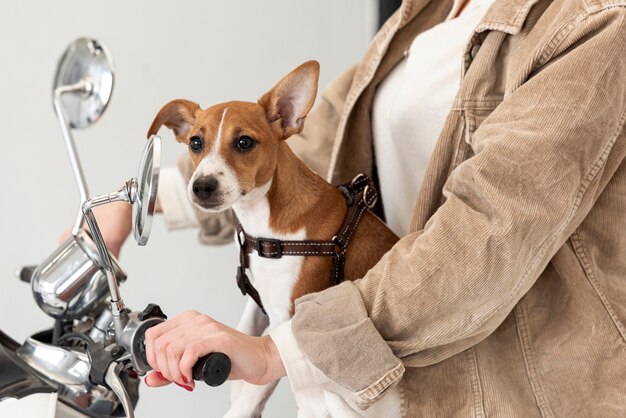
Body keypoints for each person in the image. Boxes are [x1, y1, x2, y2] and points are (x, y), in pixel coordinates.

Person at [71, 0, 626, 415]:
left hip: (508, 386)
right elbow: (312, 146)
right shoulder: (426, 9)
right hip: (374, 371)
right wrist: (139, 201)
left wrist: (278, 350)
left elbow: (490, 230)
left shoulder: (596, 21)